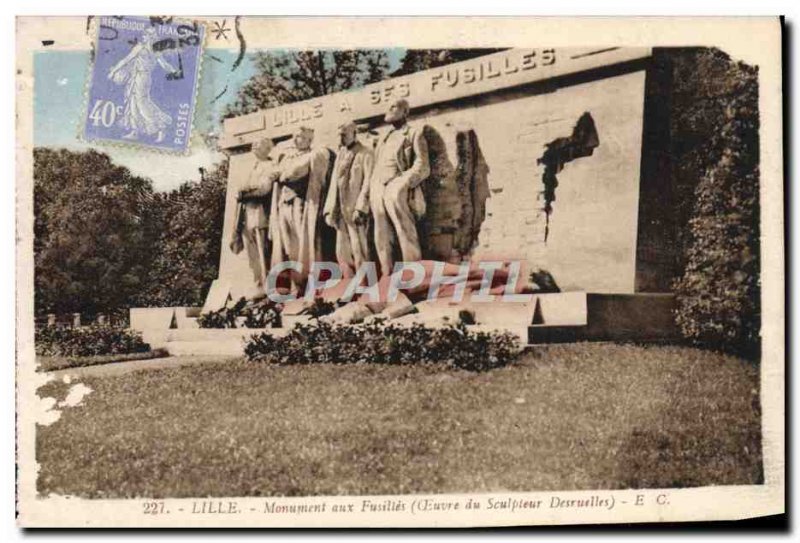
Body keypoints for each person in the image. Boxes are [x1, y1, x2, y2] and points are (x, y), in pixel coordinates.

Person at [367, 99, 431, 277]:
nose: (388, 110)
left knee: (404, 227)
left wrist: (404, 181)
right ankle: (387, 273)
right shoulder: (384, 137)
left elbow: (422, 164)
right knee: (381, 232)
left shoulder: (414, 133)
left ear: (404, 112)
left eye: (393, 107)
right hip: (378, 186)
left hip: (397, 184)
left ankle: (413, 271)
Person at [268, 126, 332, 290]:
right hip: (284, 203)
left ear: (309, 140)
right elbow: (273, 174)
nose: (297, 140)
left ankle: (311, 281)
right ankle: (295, 283)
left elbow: (291, 174)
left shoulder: (312, 156)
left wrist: (281, 174)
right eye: (295, 137)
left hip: (301, 203)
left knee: (304, 242)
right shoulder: (287, 157)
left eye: (301, 137)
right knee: (289, 245)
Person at [107, 26, 177, 143]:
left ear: (150, 37)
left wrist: (174, 71)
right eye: (144, 35)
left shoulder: (146, 49)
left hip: (142, 77)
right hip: (138, 77)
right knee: (132, 103)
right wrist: (173, 71)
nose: (143, 37)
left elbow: (163, 64)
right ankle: (135, 131)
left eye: (146, 35)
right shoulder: (150, 49)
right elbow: (126, 60)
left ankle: (161, 128)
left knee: (142, 103)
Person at [323, 121, 374, 277]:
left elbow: (368, 182)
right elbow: (334, 183)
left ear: (354, 133)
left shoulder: (366, 153)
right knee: (342, 250)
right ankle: (349, 282)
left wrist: (361, 207)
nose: (341, 138)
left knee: (360, 249)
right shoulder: (340, 155)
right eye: (339, 135)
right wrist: (329, 208)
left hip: (356, 210)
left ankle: (366, 284)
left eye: (344, 134)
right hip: (340, 211)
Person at [230, 138, 278, 296]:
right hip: (245, 213)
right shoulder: (248, 166)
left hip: (260, 210)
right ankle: (257, 283)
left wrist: (245, 191)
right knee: (250, 250)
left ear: (267, 149)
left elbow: (264, 189)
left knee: (262, 247)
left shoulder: (270, 165)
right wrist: (245, 190)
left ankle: (268, 284)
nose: (254, 145)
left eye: (259, 144)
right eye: (254, 143)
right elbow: (239, 188)